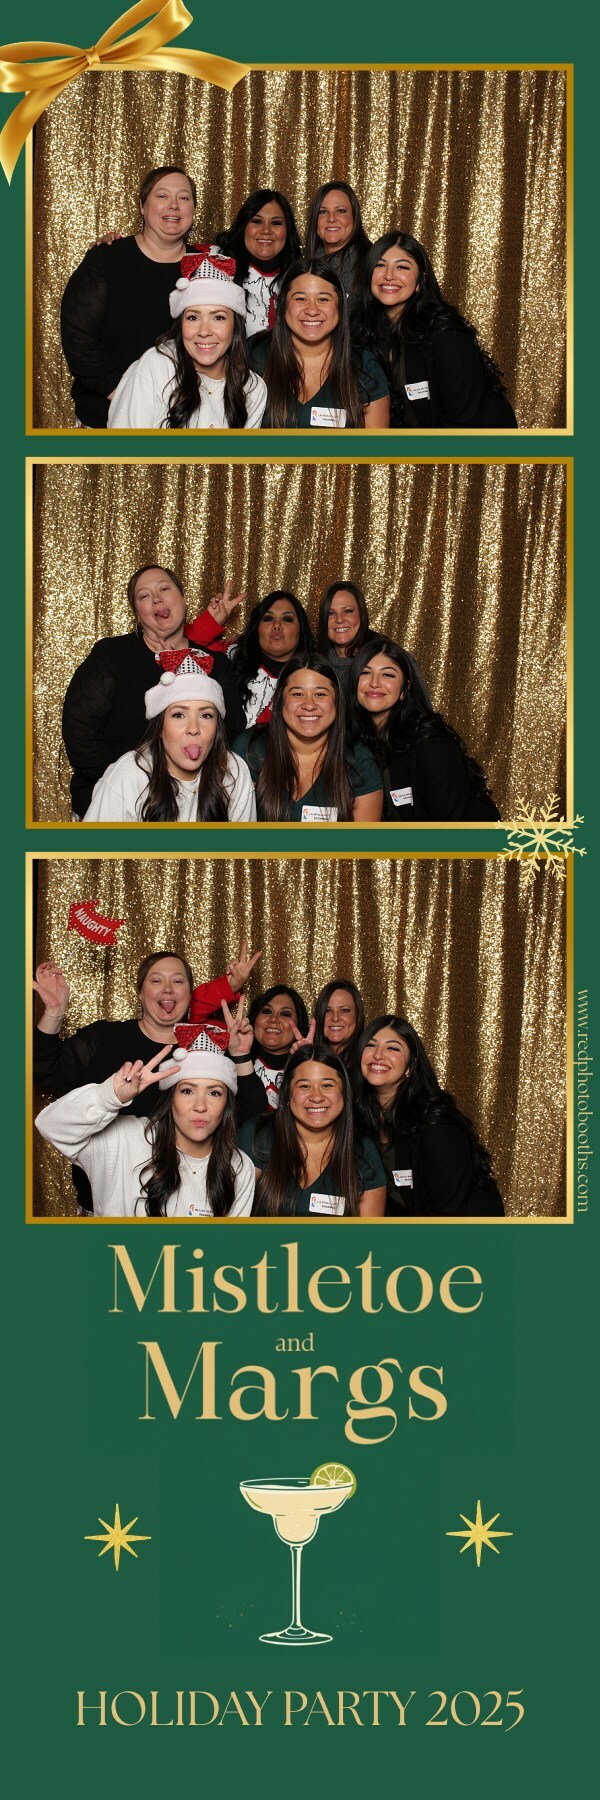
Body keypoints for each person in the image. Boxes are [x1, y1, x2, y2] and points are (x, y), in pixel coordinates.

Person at [33, 943, 260, 1211]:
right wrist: (54, 1011)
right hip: (110, 1200)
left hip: (191, 1201)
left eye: (178, 981)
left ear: (190, 993)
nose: (168, 988)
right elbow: (46, 1072)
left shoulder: (203, 1048)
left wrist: (240, 1056)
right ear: (140, 993)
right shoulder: (107, 1038)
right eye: (156, 980)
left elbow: (249, 1118)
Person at [62, 565, 247, 818]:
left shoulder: (213, 663)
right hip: (114, 804)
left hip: (192, 807)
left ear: (183, 598)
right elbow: (80, 734)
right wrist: (130, 785)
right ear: (138, 613)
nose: (156, 598)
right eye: (144, 595)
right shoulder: (111, 656)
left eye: (164, 589)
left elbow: (231, 729)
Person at [36, 1031, 255, 1218]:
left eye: (214, 1093)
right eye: (187, 1091)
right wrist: (108, 1096)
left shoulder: (238, 1166)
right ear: (171, 1098)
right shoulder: (124, 1139)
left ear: (226, 1103)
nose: (200, 1106)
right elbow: (50, 1125)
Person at [61, 166, 199, 428]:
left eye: (184, 197)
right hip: (105, 415)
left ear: (193, 209)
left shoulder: (205, 267)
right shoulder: (107, 258)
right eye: (162, 196)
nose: (174, 205)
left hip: (183, 418)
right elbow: (78, 339)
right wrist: (128, 397)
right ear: (142, 206)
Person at [352, 231, 517, 428]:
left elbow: (462, 422)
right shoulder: (366, 333)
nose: (388, 275)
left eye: (402, 267)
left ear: (420, 281)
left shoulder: (446, 335)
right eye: (380, 265)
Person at [352, 1015, 504, 1216]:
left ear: (410, 1066)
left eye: (393, 1048)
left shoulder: (437, 1126)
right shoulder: (364, 1118)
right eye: (371, 1045)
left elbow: (447, 1215)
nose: (378, 1055)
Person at [82, 649, 256, 822]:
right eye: (179, 715)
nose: (193, 728)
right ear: (159, 727)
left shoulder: (233, 772)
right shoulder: (129, 775)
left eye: (206, 715)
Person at [107, 247, 267, 429]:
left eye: (218, 318)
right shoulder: (158, 366)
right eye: (193, 317)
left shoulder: (252, 388)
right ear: (181, 324)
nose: (204, 331)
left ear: (235, 325)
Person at [348, 636, 499, 820]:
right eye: (365, 672)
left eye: (387, 674)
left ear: (405, 689)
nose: (374, 683)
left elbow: (454, 824)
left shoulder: (430, 743)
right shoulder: (357, 742)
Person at [232, 653, 383, 821]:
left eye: (320, 694)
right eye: (297, 694)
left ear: (337, 702)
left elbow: (364, 837)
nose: (309, 705)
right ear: (280, 701)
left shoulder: (359, 761)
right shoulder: (250, 749)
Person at [240, 1045, 386, 1217]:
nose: (316, 1097)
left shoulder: (362, 1150)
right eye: (304, 1086)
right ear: (287, 1094)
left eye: (327, 1085)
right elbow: (233, 1220)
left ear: (344, 1093)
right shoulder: (257, 1135)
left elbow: (369, 1231)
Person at [248, 258, 389, 428]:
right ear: (284, 305)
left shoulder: (365, 366)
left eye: (323, 299)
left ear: (340, 307)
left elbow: (375, 444)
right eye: (300, 299)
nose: (312, 310)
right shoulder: (253, 355)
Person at [187, 589, 314, 726]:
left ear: (301, 629)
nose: (277, 625)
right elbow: (184, 648)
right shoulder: (230, 657)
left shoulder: (316, 675)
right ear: (257, 628)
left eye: (287, 619)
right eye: (268, 619)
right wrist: (212, 621)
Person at [215, 188, 302, 336]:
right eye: (257, 221)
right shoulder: (218, 269)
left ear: (288, 231)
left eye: (275, 223)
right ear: (244, 227)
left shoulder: (301, 276)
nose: (266, 230)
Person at [305, 182, 371, 297]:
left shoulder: (372, 265)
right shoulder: (305, 266)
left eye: (340, 211)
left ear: (354, 217)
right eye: (323, 212)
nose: (331, 219)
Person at [316, 581, 375, 695]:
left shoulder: (385, 655)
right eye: (331, 613)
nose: (339, 619)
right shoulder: (315, 663)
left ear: (362, 614)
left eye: (348, 611)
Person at [313, 981, 365, 1064]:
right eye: (328, 1010)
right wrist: (306, 1057)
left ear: (357, 1015)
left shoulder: (367, 1060)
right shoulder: (312, 1057)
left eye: (344, 1010)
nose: (335, 1018)